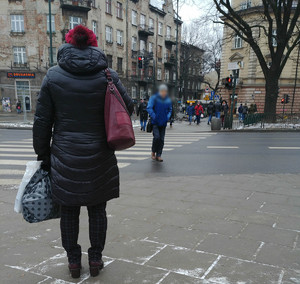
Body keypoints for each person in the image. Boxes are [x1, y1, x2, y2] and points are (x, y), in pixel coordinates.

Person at [32, 26, 134, 279]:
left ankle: (74, 262)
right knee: (97, 209)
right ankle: (96, 259)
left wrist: (43, 154)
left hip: (65, 155)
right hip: (100, 153)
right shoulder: (107, 74)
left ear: (68, 44)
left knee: (68, 210)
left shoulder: (53, 76)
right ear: (93, 45)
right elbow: (128, 108)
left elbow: (42, 121)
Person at [147, 84, 172, 162]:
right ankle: (153, 151)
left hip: (163, 122)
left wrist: (167, 117)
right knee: (156, 137)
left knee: (161, 139)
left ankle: (159, 155)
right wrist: (154, 116)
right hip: (155, 122)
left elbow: (170, 110)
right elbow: (149, 108)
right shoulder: (154, 98)